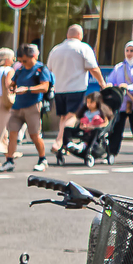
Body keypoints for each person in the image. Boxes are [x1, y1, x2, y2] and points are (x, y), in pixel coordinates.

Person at [45, 23, 104, 161]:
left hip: (59, 88)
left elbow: (49, 69)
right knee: (73, 116)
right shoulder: (83, 48)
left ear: (67, 35)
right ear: (80, 35)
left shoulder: (56, 49)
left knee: (63, 117)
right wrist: (102, 83)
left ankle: (62, 142)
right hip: (76, 88)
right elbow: (93, 68)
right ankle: (59, 141)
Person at [3, 46, 52, 170]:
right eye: (20, 61)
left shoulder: (41, 69)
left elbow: (44, 87)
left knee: (34, 134)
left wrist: (27, 89)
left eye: (25, 61)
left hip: (33, 106)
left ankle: (42, 159)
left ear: (33, 57)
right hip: (17, 106)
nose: (23, 63)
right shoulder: (20, 70)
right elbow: (13, 82)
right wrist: (11, 86)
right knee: (12, 133)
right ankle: (9, 160)